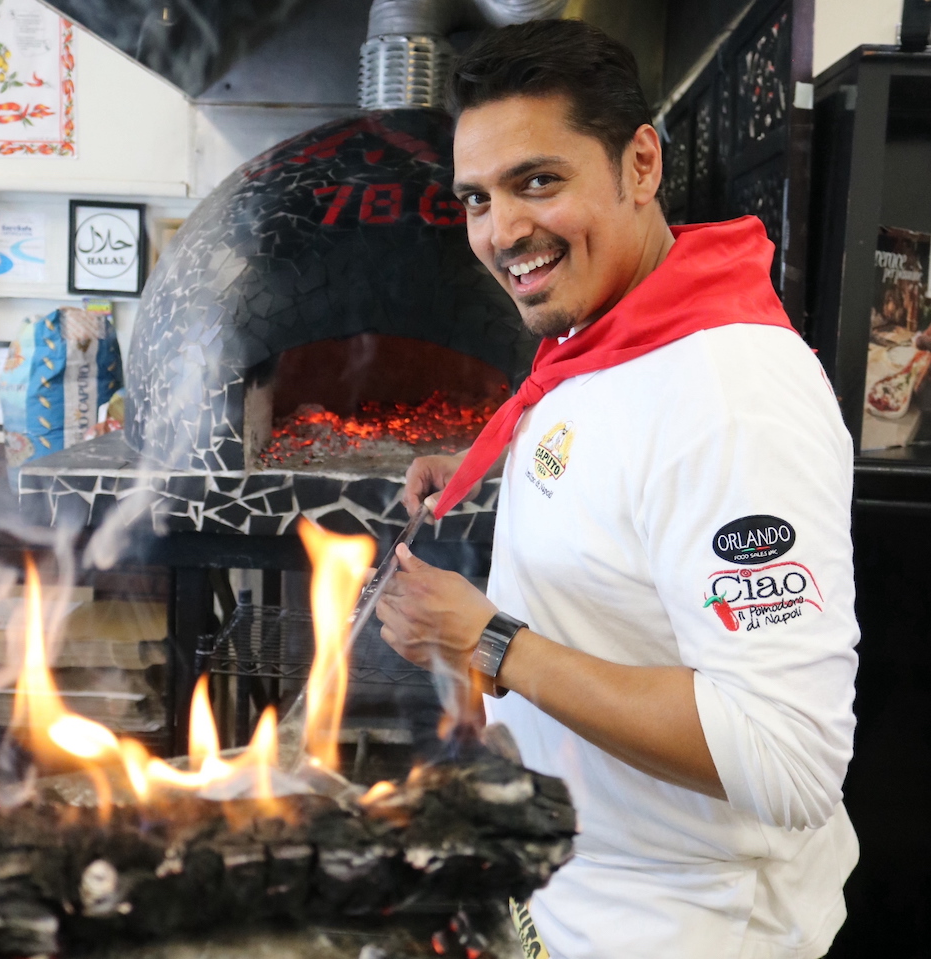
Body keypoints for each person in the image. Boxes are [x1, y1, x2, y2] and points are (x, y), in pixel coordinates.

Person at [375, 18, 859, 959]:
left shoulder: (732, 399)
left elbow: (788, 757)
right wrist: (484, 467)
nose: (502, 230)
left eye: (539, 181)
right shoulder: (609, 329)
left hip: (686, 929)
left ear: (641, 163)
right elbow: (624, 485)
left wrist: (487, 638)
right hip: (576, 890)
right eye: (476, 198)